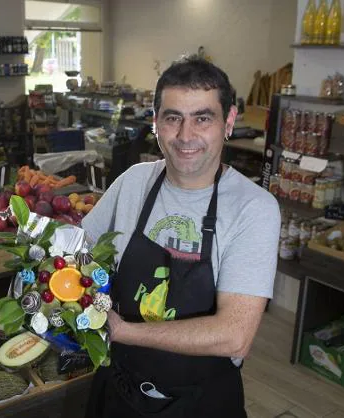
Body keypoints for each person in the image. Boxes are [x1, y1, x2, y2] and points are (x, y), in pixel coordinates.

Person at [82, 56, 281, 417]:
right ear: (155, 123)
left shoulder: (254, 208)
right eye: (173, 118)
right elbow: (82, 250)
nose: (186, 136)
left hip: (199, 402)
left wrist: (122, 330)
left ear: (229, 121)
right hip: (120, 387)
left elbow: (234, 334)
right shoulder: (134, 182)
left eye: (202, 118)